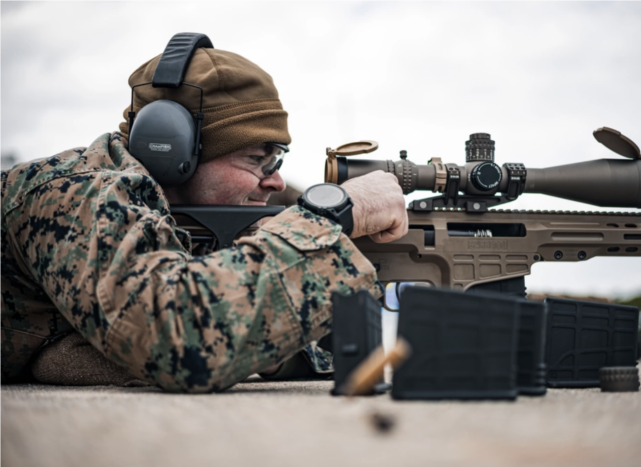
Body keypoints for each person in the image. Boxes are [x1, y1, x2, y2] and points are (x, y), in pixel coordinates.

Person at [0, 35, 408, 393]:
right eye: (256, 160)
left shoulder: (165, 218)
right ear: (171, 151)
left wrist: (260, 340)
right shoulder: (75, 192)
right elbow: (181, 342)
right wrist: (333, 217)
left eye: (277, 161)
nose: (277, 183)